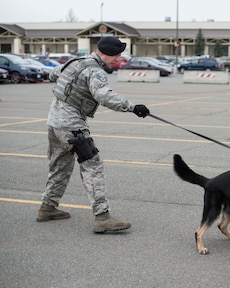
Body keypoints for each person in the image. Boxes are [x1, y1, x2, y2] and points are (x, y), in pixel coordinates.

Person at [36, 36, 150, 233]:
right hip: (72, 126)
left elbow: (53, 75)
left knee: (59, 166)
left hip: (54, 122)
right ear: (105, 53)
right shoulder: (94, 71)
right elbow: (104, 96)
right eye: (116, 54)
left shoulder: (74, 63)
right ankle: (102, 217)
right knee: (93, 166)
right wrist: (132, 107)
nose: (118, 58)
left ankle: (47, 208)